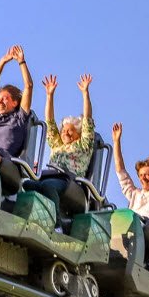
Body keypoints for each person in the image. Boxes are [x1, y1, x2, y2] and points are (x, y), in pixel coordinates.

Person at [24, 74, 96, 222]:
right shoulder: (57, 145)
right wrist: (49, 95)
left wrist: (85, 93)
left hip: (70, 181)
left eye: (70, 130)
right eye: (63, 129)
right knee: (27, 184)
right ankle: (33, 216)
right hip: (50, 175)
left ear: (78, 133)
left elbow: (88, 121)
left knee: (48, 186)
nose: (65, 132)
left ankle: (55, 223)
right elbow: (50, 123)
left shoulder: (83, 145)